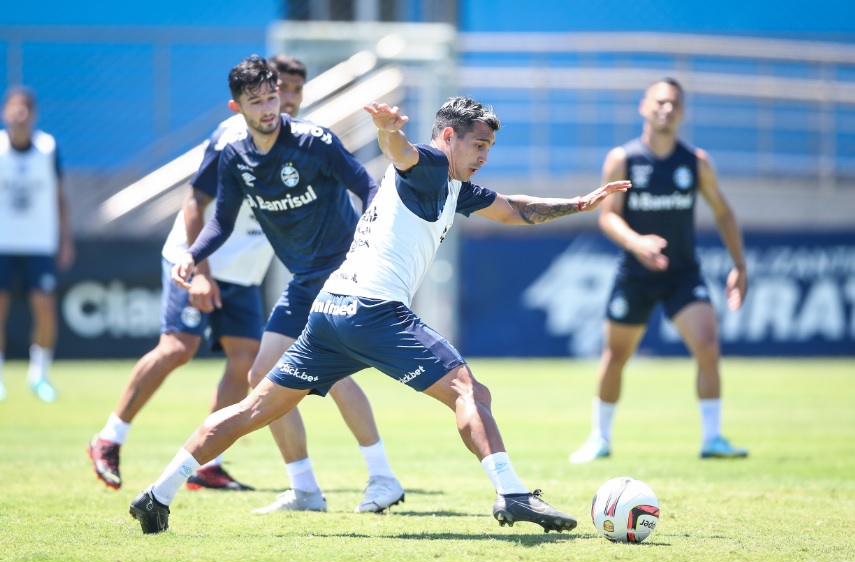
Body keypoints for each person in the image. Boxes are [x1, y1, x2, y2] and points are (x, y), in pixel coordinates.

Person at [127, 86, 630, 534]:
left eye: (490, 148)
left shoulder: (454, 185)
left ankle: (158, 494)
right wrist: (388, 131)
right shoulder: (431, 165)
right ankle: (513, 494)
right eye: (479, 145)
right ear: (449, 136)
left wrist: (578, 203)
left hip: (328, 310)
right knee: (468, 390)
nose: (484, 156)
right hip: (372, 309)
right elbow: (404, 154)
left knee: (253, 410)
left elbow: (516, 209)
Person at [90, 55, 404, 514]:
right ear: (237, 108)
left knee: (330, 378)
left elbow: (369, 186)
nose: (269, 107)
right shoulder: (235, 153)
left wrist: (370, 241)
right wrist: (193, 256)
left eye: (273, 96)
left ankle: (382, 477)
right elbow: (219, 218)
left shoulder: (315, 141)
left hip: (340, 272)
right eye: (256, 101)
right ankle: (306, 490)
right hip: (304, 279)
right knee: (261, 375)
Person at [568, 77, 749, 464]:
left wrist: (739, 265)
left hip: (683, 274)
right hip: (635, 275)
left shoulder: (695, 162)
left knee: (708, 346)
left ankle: (713, 438)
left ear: (682, 112)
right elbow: (608, 218)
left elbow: (723, 212)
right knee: (615, 355)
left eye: (674, 104)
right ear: (644, 106)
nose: (666, 109)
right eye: (660, 102)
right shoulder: (623, 159)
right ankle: (599, 438)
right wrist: (638, 243)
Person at [0, 86, 75, 403]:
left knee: (45, 308)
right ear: (5, 112)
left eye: (26, 108)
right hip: (2, 242)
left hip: (39, 242)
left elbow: (59, 195)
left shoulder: (48, 147)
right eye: (14, 107)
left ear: (33, 114)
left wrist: (65, 238)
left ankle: (39, 374)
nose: (20, 113)